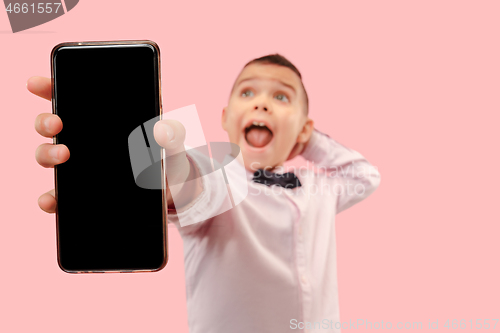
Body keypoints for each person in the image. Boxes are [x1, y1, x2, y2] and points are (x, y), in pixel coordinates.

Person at [31, 54, 381, 333]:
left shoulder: (318, 188)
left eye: (281, 96)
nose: (261, 104)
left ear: (304, 129)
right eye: (248, 93)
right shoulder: (222, 179)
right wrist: (170, 172)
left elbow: (365, 176)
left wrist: (309, 137)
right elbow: (195, 185)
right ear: (226, 119)